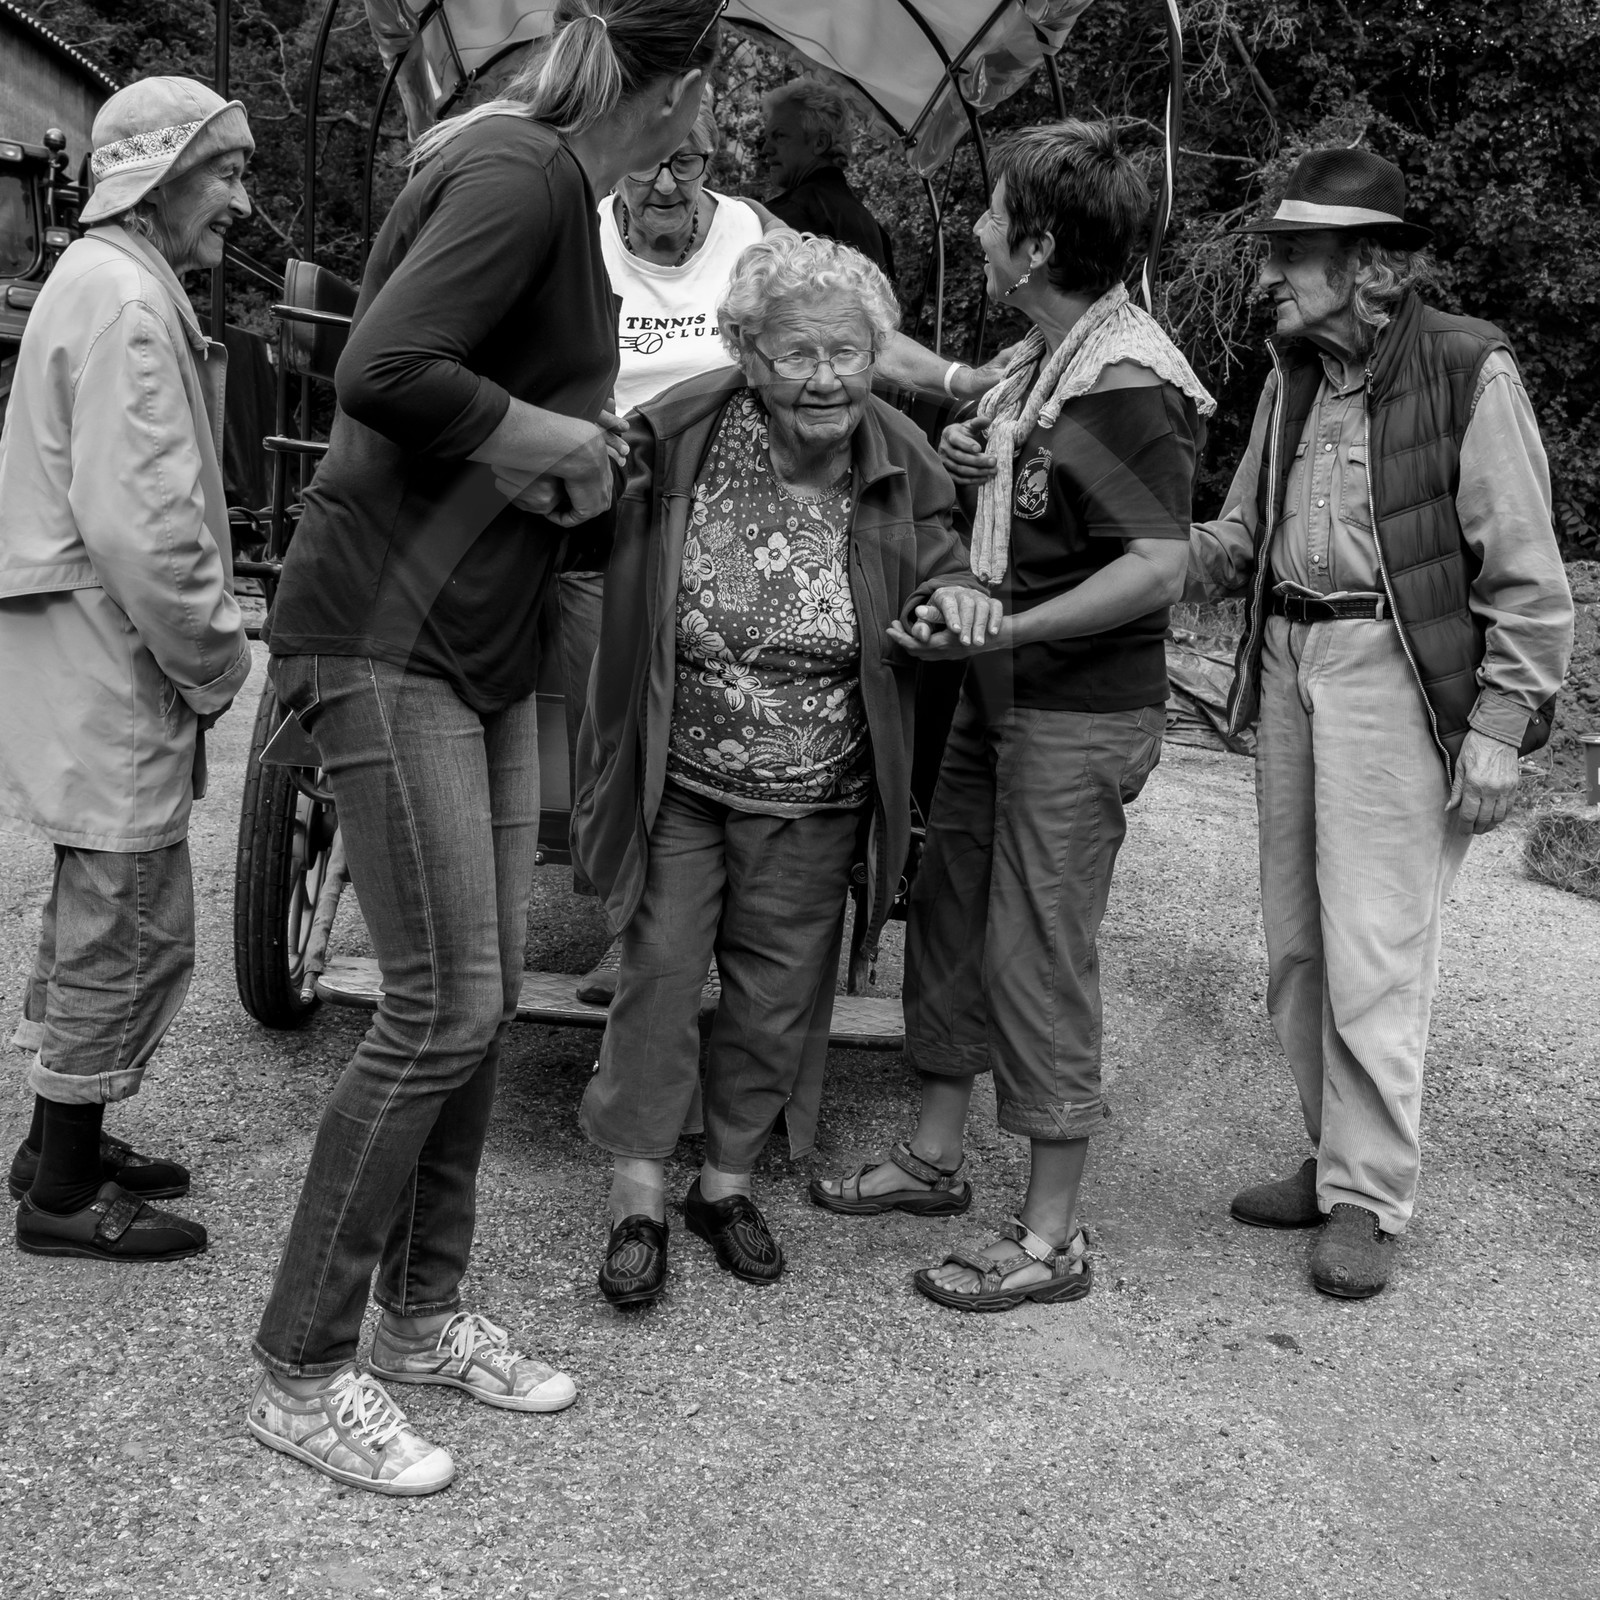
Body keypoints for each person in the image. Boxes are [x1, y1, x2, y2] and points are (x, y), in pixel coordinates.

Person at [246, 0, 725, 1498]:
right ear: (689, 87)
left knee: (479, 995)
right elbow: (382, 371)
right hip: (386, 634)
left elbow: (467, 403)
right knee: (443, 1007)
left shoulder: (540, 181)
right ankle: (303, 1368)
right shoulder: (522, 174)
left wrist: (571, 472)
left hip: (474, 637)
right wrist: (558, 447)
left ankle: (422, 1314)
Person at [811, 120, 1215, 1312]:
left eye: (992, 215)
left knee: (1038, 946)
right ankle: (934, 1157)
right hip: (1003, 698)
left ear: (1034, 244)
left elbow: (1155, 564)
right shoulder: (1051, 355)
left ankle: (1051, 1238)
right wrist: (980, 470)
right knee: (949, 910)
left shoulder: (1130, 381)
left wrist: (1010, 626)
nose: (980, 229)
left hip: (1073, 711)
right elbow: (1051, 494)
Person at [570, 230, 996, 1307]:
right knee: (658, 978)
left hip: (821, 788)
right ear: (746, 352)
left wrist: (950, 599)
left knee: (774, 996)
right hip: (680, 768)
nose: (825, 378)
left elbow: (942, 563)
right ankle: (635, 1192)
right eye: (797, 353)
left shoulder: (902, 457)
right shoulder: (675, 433)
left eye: (848, 352)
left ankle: (722, 1185)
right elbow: (574, 510)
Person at [1186, 148, 1573, 1298]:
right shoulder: (1291, 376)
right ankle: (1336, 1155)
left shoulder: (1468, 366)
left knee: (1374, 944)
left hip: (1391, 669)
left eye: (1293, 256)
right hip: (1292, 655)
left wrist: (1501, 722)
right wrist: (1134, 539)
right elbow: (1241, 534)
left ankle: (1368, 1192)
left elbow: (1527, 572)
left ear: (1371, 270)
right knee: (1296, 941)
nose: (1271, 277)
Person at [566, 99, 1006, 1005]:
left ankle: (836, 841)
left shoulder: (748, 232)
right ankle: (628, 895)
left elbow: (842, 332)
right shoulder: (570, 231)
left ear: (709, 164)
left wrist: (959, 381)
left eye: (686, 162)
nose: (665, 181)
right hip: (615, 472)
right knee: (599, 607)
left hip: (743, 455)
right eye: (648, 161)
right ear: (615, 162)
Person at [0, 77, 255, 1262]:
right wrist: (216, 660)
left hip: (79, 642)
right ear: (158, 176)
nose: (242, 202)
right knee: (130, 916)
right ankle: (61, 1192)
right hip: (118, 644)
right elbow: (147, 526)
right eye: (227, 171)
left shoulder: (97, 278)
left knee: (95, 900)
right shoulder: (131, 302)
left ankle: (59, 1137)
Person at [763, 78, 896, 278]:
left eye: (779, 136)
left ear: (820, 142)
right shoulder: (871, 226)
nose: (766, 150)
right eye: (767, 138)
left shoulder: (782, 217)